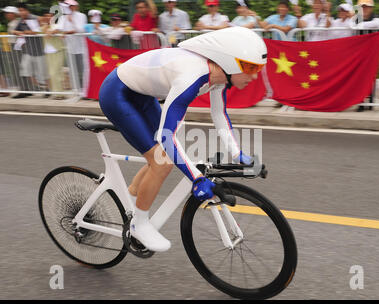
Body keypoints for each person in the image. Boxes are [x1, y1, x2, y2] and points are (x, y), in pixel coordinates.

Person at [99, 27, 266, 252]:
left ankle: (130, 200)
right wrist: (197, 180)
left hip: (142, 94)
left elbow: (219, 115)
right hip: (117, 94)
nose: (254, 76)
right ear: (229, 62)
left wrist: (238, 154)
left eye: (258, 69)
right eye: (250, 68)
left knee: (164, 155)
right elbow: (166, 137)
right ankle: (139, 224)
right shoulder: (191, 77)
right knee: (162, 160)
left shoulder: (218, 77)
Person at [12, 3, 48, 98]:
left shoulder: (35, 18)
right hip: (28, 51)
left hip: (39, 50)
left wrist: (30, 32)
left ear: (27, 10)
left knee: (42, 72)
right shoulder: (20, 20)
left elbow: (41, 29)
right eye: (19, 11)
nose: (21, 12)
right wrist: (20, 32)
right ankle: (26, 90)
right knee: (24, 70)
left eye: (22, 10)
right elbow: (14, 31)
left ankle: (47, 90)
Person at [354, 0, 379, 112]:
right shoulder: (356, 18)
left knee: (371, 77)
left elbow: (377, 23)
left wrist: (360, 25)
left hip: (372, 54)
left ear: (372, 8)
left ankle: (370, 102)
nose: (364, 9)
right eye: (362, 7)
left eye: (367, 7)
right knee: (359, 78)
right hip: (359, 54)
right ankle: (360, 102)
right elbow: (350, 25)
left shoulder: (376, 17)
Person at [56, 0, 87, 92]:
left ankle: (85, 89)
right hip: (69, 48)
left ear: (76, 6)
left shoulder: (82, 16)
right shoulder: (63, 17)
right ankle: (76, 89)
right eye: (68, 6)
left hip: (81, 48)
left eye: (72, 6)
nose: (70, 8)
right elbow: (59, 28)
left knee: (83, 69)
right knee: (73, 70)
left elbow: (81, 29)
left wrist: (72, 22)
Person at [41, 12, 66, 100]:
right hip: (48, 53)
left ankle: (59, 94)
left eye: (50, 16)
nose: (48, 17)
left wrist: (52, 31)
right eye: (46, 16)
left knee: (55, 72)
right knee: (52, 74)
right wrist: (48, 29)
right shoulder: (44, 27)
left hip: (58, 51)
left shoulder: (57, 26)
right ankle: (57, 93)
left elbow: (59, 32)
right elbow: (45, 32)